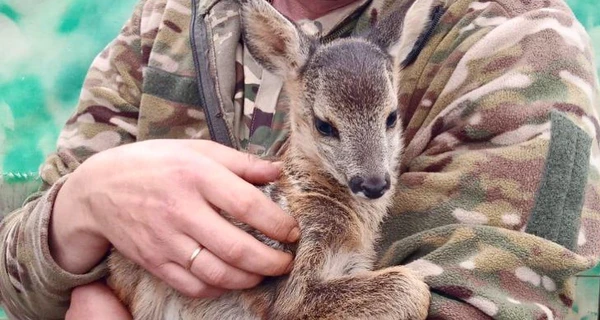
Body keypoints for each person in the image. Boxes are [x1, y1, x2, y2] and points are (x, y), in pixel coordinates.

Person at [1, 0, 599, 318]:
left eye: (389, 124)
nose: (372, 173)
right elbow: (15, 280)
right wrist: (78, 208)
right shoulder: (170, 20)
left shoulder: (516, 43)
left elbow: (502, 305)